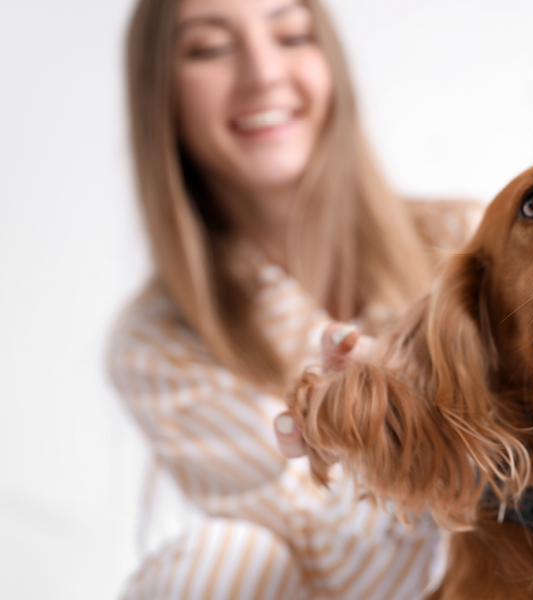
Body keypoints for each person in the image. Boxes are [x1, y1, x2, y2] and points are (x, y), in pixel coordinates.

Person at [108, 0, 473, 597]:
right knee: (218, 559)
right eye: (209, 48)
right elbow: (339, 567)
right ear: (161, 97)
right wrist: (395, 428)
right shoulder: (156, 344)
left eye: (292, 36)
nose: (263, 73)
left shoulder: (468, 241)